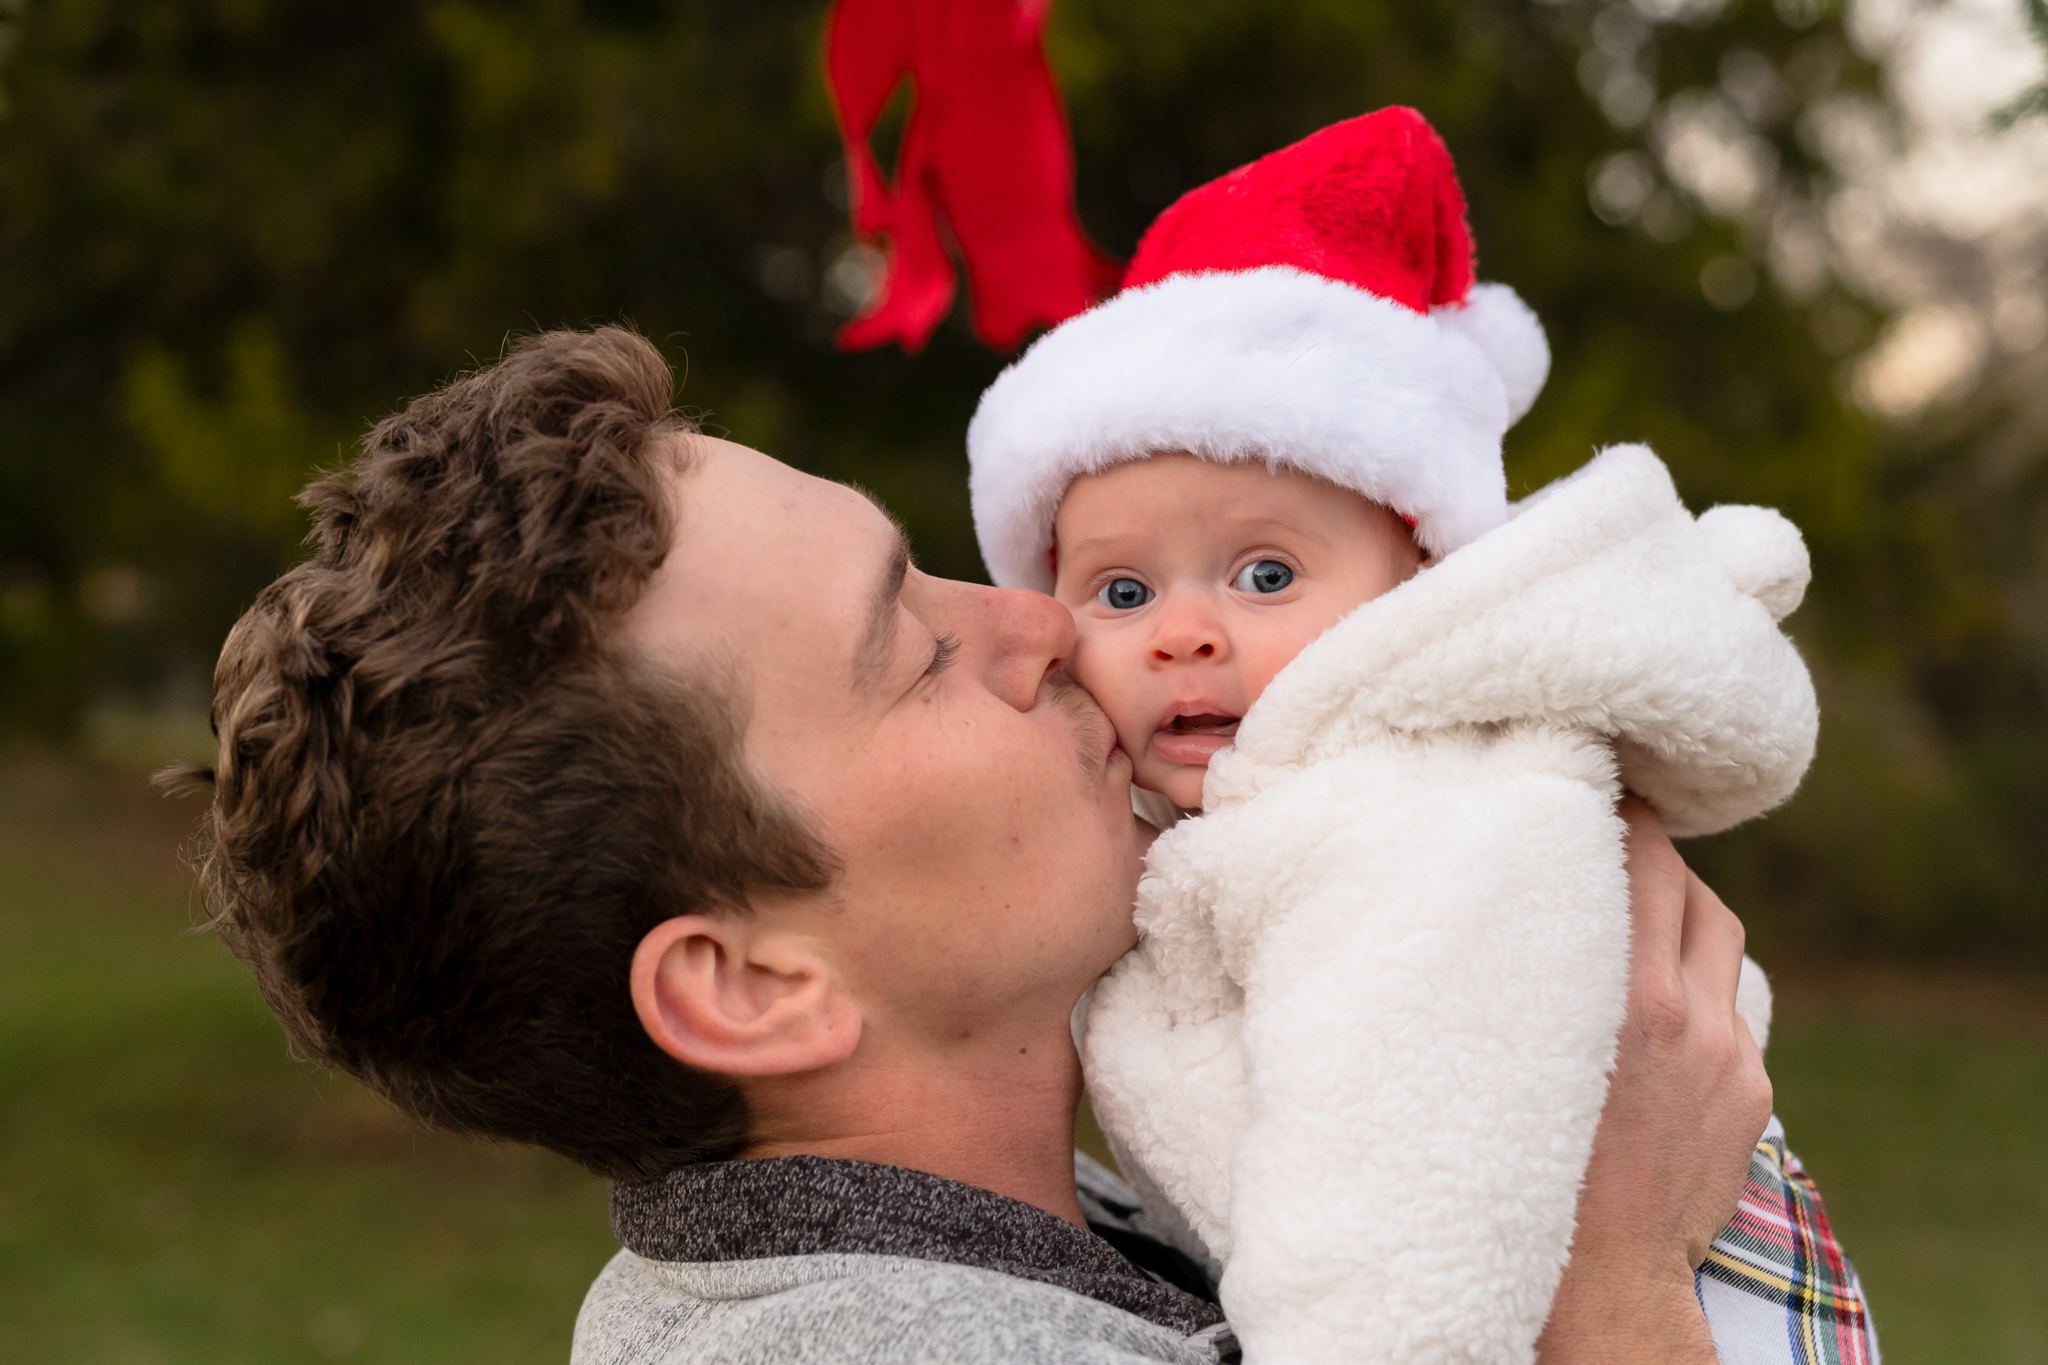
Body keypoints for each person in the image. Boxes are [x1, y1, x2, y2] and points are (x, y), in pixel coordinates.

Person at [176, 324, 1774, 1364]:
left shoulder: (1106, 1204)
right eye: (918, 649)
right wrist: (1613, 1290)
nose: (1036, 621)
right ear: (751, 985)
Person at [964, 109, 1874, 1364]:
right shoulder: (1243, 809)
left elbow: (1412, 1192)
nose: (1181, 633)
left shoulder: (1419, 817)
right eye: (1121, 593)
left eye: (1264, 575)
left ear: (1414, 585)